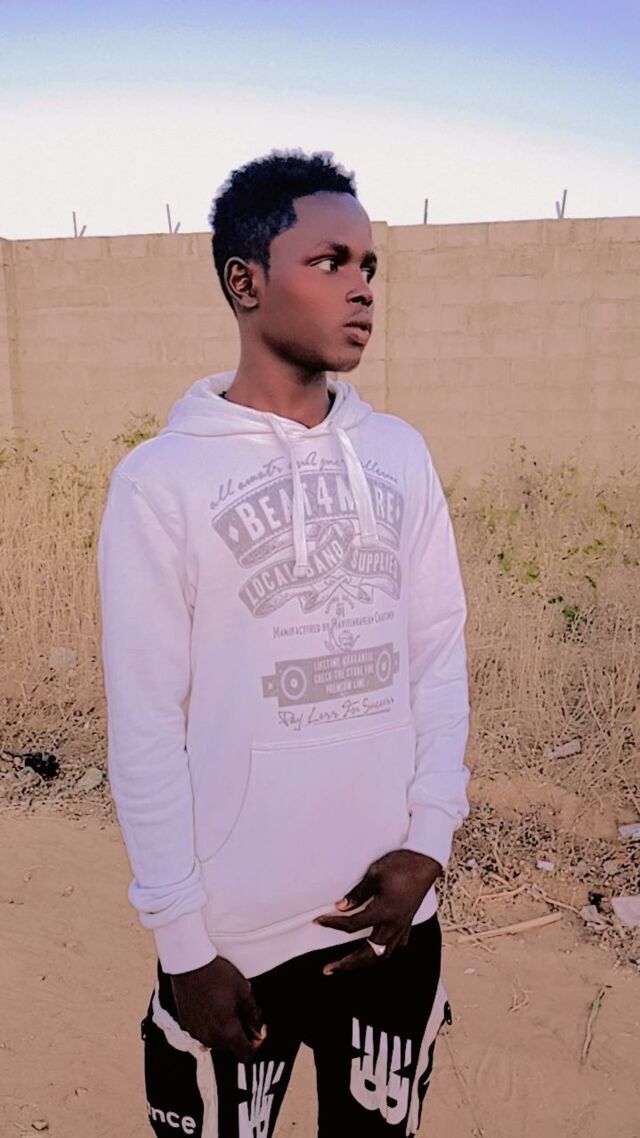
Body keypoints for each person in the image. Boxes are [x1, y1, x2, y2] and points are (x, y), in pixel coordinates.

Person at [97, 148, 471, 1138]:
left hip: (389, 922)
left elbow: (438, 653)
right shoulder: (160, 483)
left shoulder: (398, 454)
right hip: (236, 946)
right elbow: (145, 726)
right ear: (245, 280)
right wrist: (184, 944)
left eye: (369, 265)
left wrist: (427, 846)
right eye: (330, 261)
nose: (362, 287)